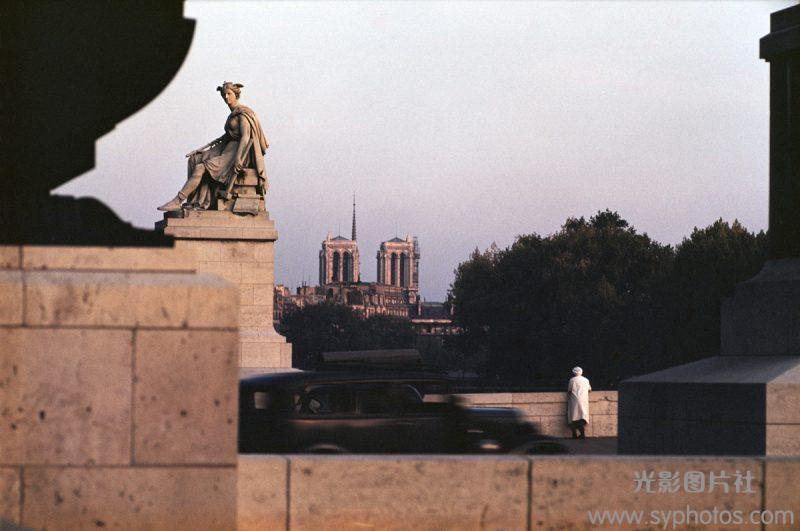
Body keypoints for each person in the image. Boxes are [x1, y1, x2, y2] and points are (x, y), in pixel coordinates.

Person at [158, 81, 269, 211]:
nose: (226, 97)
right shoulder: (232, 115)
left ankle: (177, 200)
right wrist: (201, 149)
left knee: (200, 168)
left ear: (236, 94)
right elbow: (227, 136)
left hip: (237, 153)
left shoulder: (243, 114)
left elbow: (245, 136)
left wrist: (238, 158)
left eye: (229, 94)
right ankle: (197, 201)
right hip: (226, 149)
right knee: (195, 159)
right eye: (224, 95)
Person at [567, 366, 591, 439]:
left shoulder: (572, 380)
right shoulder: (586, 380)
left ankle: (574, 434)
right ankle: (582, 434)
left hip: (574, 400)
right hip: (583, 400)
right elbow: (589, 389)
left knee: (573, 417)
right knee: (582, 416)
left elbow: (569, 390)